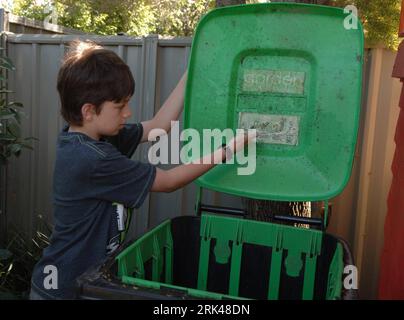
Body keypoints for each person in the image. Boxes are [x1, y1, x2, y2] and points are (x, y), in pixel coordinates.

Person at [29, 40, 254, 299]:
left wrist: (193, 69)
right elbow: (168, 181)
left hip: (85, 282)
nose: (128, 112)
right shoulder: (90, 158)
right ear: (89, 111)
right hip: (62, 290)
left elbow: (159, 125)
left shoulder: (98, 136)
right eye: (120, 106)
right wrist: (228, 149)